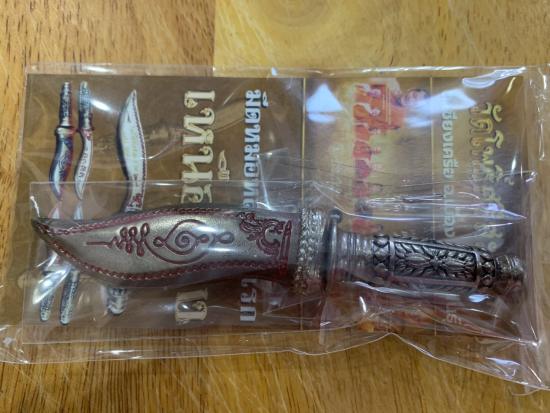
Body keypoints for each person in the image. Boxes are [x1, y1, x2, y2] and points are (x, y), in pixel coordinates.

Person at [353, 81, 429, 133]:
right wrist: (370, 89)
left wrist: (371, 114)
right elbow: (363, 80)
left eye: (415, 102)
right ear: (411, 90)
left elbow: (370, 129)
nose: (410, 99)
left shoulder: (398, 121)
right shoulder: (392, 84)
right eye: (414, 95)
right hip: (353, 93)